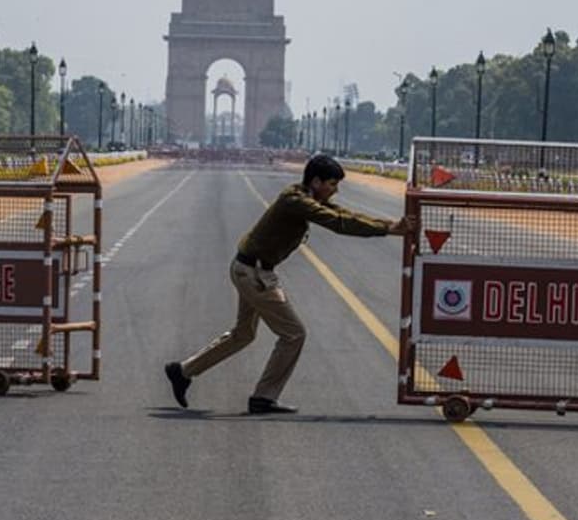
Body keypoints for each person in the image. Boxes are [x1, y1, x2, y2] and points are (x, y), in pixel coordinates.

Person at [164, 154, 415, 414]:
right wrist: (389, 229)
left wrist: (390, 226)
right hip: (255, 274)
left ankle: (182, 371)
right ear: (316, 181)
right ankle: (263, 397)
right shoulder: (295, 200)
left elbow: (343, 213)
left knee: (243, 334)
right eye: (331, 184)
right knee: (294, 333)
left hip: (250, 270)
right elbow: (338, 223)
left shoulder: (305, 198)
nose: (335, 190)